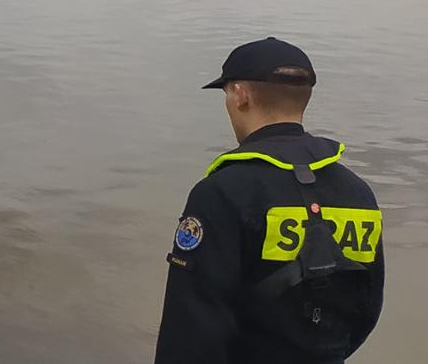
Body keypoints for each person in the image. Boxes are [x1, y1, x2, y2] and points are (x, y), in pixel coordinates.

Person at [155, 38, 383, 363]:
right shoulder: (357, 191)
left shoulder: (221, 191)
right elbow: (368, 305)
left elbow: (192, 324)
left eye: (227, 95)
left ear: (240, 94)